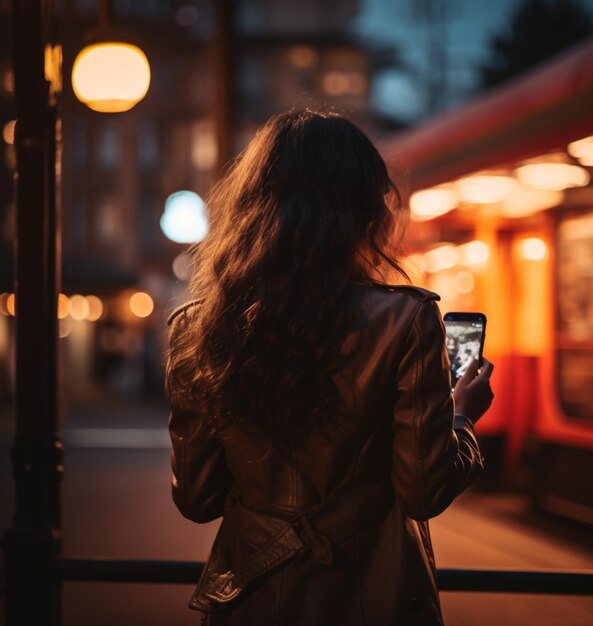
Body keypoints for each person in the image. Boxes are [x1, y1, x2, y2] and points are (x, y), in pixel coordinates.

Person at [165, 109, 494, 626]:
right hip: (370, 597)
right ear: (363, 208)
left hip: (248, 600)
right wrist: (461, 417)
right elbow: (423, 490)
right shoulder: (406, 318)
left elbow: (198, 497)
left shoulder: (199, 327)